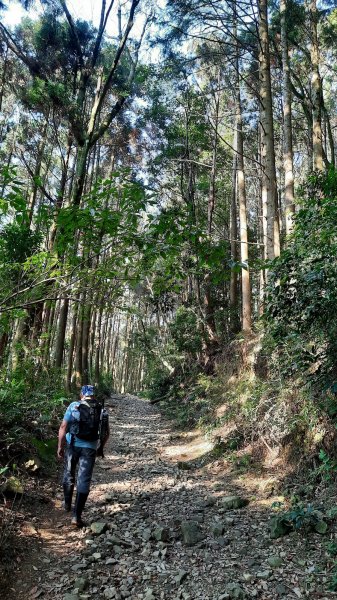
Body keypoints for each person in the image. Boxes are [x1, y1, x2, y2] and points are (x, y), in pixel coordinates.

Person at [57, 384, 109, 528]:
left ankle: (67, 504)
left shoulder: (74, 406)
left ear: (82, 394)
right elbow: (106, 434)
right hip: (90, 449)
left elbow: (63, 427)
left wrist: (60, 446)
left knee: (69, 473)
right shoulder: (102, 410)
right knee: (84, 480)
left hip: (72, 445)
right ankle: (76, 516)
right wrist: (100, 448)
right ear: (93, 395)